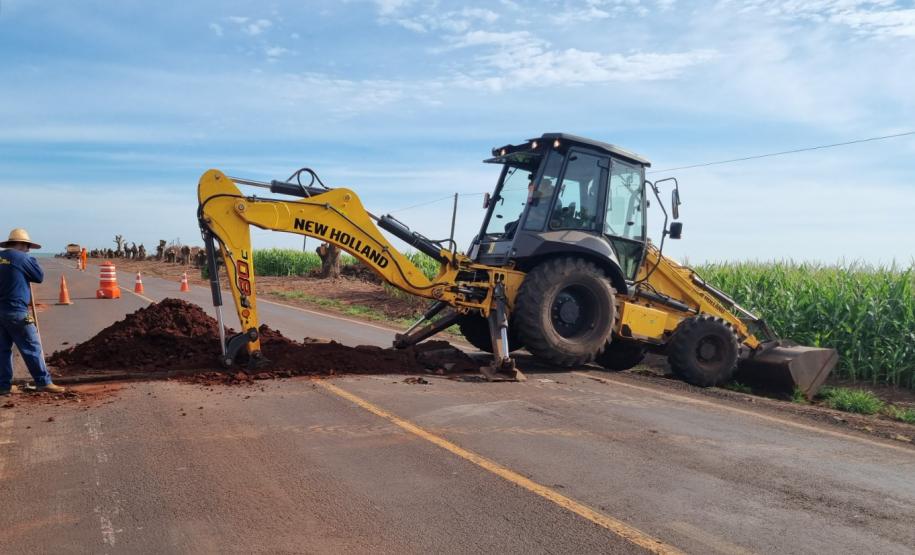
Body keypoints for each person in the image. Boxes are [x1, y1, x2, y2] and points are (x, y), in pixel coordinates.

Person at [0, 228, 65, 395]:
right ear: (21, 244)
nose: (28, 250)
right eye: (27, 246)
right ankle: (43, 382)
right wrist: (31, 261)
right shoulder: (21, 258)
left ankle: (3, 386)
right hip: (16, 311)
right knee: (31, 346)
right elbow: (39, 276)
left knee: (3, 350)